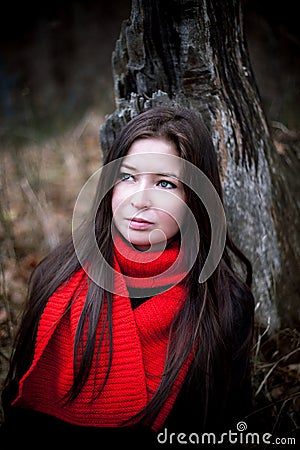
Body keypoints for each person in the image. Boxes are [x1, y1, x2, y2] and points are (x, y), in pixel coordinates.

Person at [0, 106, 255, 448]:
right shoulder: (58, 276)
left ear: (194, 199)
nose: (139, 199)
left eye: (165, 183)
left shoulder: (223, 304)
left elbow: (226, 428)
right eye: (128, 177)